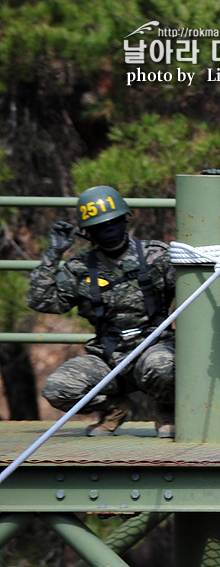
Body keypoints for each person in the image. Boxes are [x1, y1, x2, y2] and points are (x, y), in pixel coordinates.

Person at [27, 185, 176, 437]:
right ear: (87, 233)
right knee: (58, 389)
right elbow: (42, 301)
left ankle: (166, 411)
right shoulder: (80, 268)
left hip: (153, 349)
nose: (108, 230)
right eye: (98, 227)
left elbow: (193, 290)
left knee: (164, 365)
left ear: (125, 220)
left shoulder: (156, 256)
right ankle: (115, 408)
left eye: (113, 222)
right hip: (108, 357)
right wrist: (53, 254)